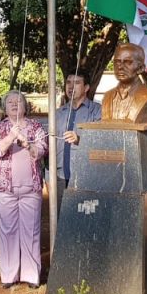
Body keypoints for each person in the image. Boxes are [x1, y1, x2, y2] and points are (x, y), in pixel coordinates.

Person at [0, 90, 49, 289]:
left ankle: (31, 275)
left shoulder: (36, 127)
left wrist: (26, 142)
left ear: (25, 106)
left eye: (18, 101)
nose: (14, 104)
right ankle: (9, 275)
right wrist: (10, 136)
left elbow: (42, 150)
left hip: (30, 188)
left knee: (31, 230)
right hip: (6, 188)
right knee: (7, 231)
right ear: (5, 107)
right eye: (10, 102)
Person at [53, 73, 102, 208]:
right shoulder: (57, 113)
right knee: (61, 220)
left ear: (86, 87)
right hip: (60, 176)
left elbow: (102, 142)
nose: (71, 87)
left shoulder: (97, 111)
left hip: (86, 177)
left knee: (84, 218)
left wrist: (80, 139)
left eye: (76, 83)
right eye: (68, 82)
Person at [101, 42, 147, 123]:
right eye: (117, 62)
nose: (120, 67)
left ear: (141, 68)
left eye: (127, 62)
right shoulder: (107, 96)